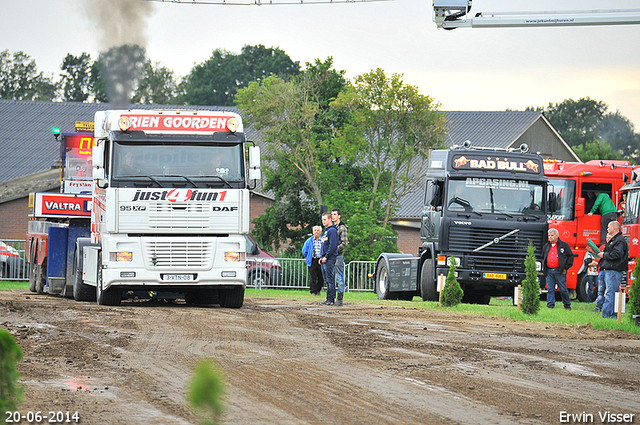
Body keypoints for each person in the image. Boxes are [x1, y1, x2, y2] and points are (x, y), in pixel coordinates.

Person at [596, 221, 629, 319]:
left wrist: (604, 255)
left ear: (614, 228)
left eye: (608, 227)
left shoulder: (618, 240)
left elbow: (617, 254)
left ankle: (607, 315)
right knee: (611, 292)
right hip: (611, 269)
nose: (607, 229)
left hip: (614, 269)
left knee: (610, 292)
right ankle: (612, 314)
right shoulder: (615, 240)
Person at [542, 228, 574, 310]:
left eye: (552, 235)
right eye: (549, 235)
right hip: (549, 271)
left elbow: (570, 257)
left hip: (560, 271)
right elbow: (543, 257)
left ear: (557, 236)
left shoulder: (564, 245)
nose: (550, 237)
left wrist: (565, 267)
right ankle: (550, 305)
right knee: (550, 289)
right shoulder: (546, 246)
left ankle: (567, 305)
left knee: (563, 289)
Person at [319, 212, 339, 306]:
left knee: (330, 280)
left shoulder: (332, 231)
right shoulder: (326, 231)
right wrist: (321, 257)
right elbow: (324, 245)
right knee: (327, 280)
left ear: (330, 219)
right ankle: (328, 298)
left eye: (325, 219)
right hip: (324, 258)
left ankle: (331, 299)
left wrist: (326, 256)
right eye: (322, 219)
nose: (323, 221)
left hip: (329, 259)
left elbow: (333, 245)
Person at [331, 208, 348, 306]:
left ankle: (340, 298)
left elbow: (344, 243)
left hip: (338, 255)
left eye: (335, 214)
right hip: (332, 256)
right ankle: (331, 297)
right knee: (331, 277)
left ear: (339, 216)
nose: (333, 216)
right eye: (332, 214)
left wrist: (335, 250)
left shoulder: (342, 228)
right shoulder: (333, 227)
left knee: (339, 277)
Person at [592, 234, 611, 312]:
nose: (608, 239)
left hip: (610, 271)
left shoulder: (614, 247)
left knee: (609, 291)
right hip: (602, 271)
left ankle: (608, 308)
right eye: (607, 237)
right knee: (600, 290)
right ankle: (598, 306)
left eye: (610, 237)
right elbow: (596, 258)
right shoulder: (603, 247)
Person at [302, 226, 323, 295]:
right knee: (313, 277)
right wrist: (307, 256)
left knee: (321, 276)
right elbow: (304, 250)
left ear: (320, 232)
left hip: (321, 260)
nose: (316, 232)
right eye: (315, 230)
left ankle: (318, 290)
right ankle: (313, 291)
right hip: (312, 260)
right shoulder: (309, 241)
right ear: (313, 232)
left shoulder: (323, 240)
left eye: (318, 230)